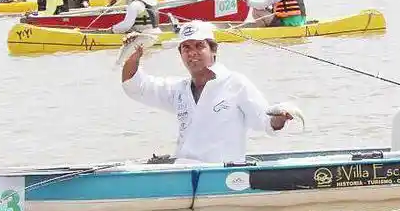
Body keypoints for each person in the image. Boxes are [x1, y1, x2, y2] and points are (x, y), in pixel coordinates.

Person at [120, 20, 301, 164]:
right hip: (184, 171)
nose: (192, 53)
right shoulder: (178, 89)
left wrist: (280, 118)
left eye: (199, 46)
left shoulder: (236, 84)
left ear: (213, 50)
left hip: (223, 174)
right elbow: (136, 86)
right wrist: (134, 54)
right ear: (180, 53)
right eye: (186, 48)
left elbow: (265, 122)